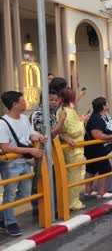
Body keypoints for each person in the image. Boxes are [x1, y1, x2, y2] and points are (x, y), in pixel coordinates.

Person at [0, 91, 47, 236]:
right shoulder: (2, 123)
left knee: (25, 194)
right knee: (9, 194)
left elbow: (30, 134)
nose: (25, 102)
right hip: (11, 163)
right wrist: (30, 150)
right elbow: (5, 147)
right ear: (15, 104)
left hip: (26, 161)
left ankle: (3, 215)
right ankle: (10, 222)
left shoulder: (24, 119)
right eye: (23, 100)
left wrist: (38, 137)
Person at [30, 89, 67, 216]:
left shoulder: (51, 113)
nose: (54, 103)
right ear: (43, 100)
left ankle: (52, 208)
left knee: (51, 181)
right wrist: (62, 120)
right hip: (40, 154)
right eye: (51, 100)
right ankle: (39, 209)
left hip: (50, 154)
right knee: (39, 182)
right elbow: (50, 134)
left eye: (56, 100)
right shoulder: (39, 114)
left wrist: (68, 140)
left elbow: (56, 133)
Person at [57, 87, 89, 210]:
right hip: (74, 148)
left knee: (72, 176)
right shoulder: (67, 111)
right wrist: (82, 121)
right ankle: (73, 203)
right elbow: (74, 131)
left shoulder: (64, 110)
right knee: (74, 177)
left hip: (73, 147)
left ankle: (72, 201)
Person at [84, 97, 112, 199]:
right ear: (103, 106)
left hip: (99, 148)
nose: (108, 104)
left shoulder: (104, 116)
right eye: (107, 103)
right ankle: (101, 192)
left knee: (91, 168)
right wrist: (111, 137)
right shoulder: (96, 118)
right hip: (96, 148)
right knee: (104, 168)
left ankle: (88, 190)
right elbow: (97, 135)